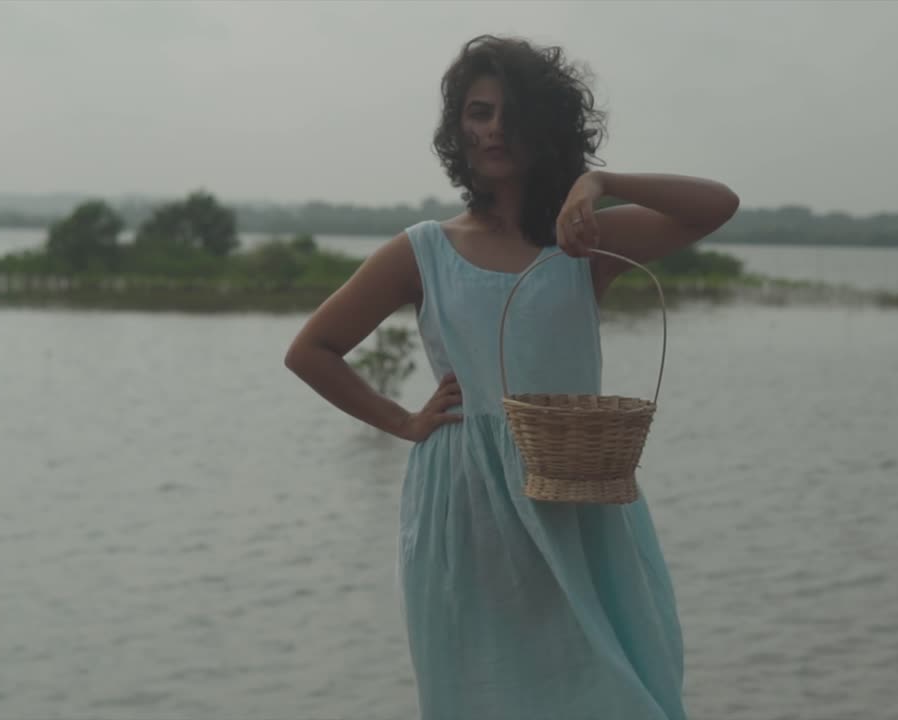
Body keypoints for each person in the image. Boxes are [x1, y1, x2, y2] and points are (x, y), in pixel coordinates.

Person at [284, 34, 738, 719]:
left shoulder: (584, 244)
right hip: (467, 503)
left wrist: (602, 184)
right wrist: (404, 422)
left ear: (545, 128)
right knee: (486, 689)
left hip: (577, 491)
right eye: (477, 112)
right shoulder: (425, 250)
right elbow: (312, 349)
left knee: (617, 685)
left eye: (511, 113)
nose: (493, 129)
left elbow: (717, 205)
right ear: (458, 130)